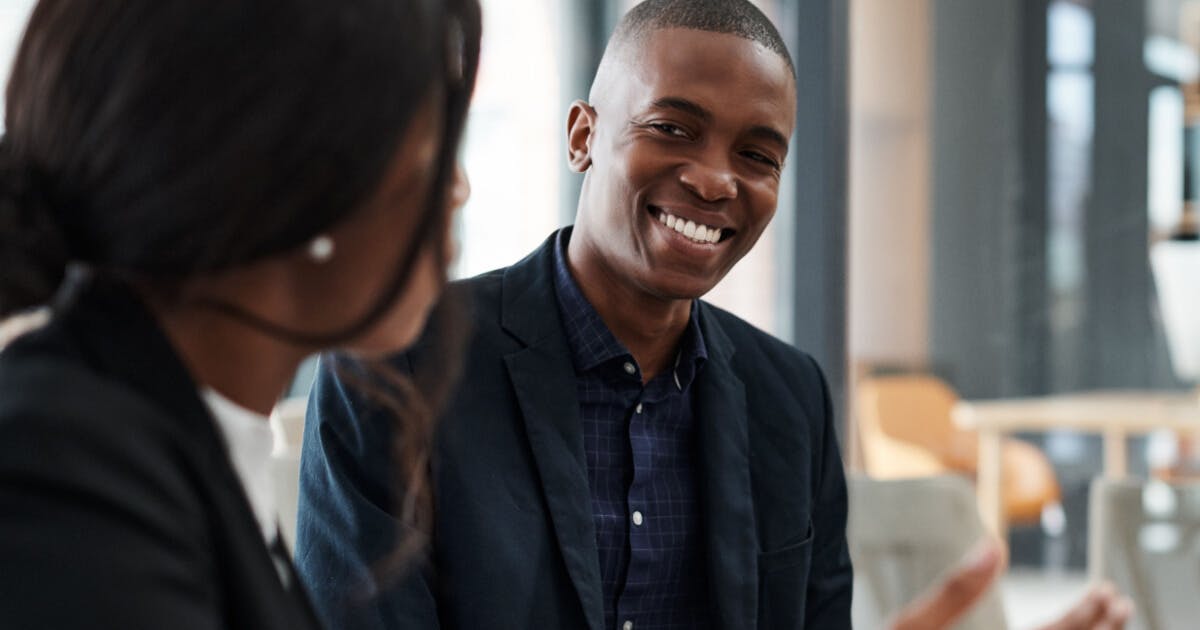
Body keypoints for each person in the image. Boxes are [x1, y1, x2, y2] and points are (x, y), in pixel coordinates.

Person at [298, 1, 850, 628]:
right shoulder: (395, 361)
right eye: (672, 128)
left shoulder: (792, 398)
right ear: (582, 137)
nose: (714, 180)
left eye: (757, 156)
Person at [0, 0, 480, 628]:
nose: (458, 187)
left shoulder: (170, 430)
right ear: (288, 173)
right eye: (433, 141)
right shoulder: (70, 469)